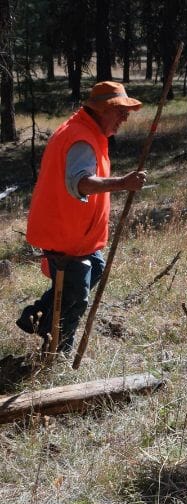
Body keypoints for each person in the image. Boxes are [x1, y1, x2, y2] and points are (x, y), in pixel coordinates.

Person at [17, 81, 147, 353]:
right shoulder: (81, 138)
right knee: (76, 296)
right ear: (102, 110)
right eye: (120, 111)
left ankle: (38, 315)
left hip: (78, 236)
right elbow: (81, 183)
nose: (125, 117)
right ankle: (58, 353)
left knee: (92, 272)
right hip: (66, 237)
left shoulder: (87, 133)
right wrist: (122, 182)